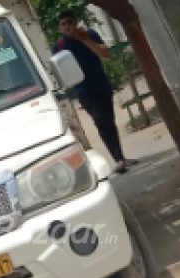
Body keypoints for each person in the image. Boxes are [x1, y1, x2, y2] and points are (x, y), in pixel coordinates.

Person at [52, 10, 138, 173]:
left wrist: (85, 40)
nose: (67, 27)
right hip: (84, 91)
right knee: (100, 121)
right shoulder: (59, 47)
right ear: (60, 28)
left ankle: (120, 157)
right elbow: (60, 71)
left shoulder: (89, 34)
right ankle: (118, 159)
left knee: (109, 121)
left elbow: (105, 53)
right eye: (63, 24)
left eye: (70, 23)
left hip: (101, 84)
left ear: (75, 23)